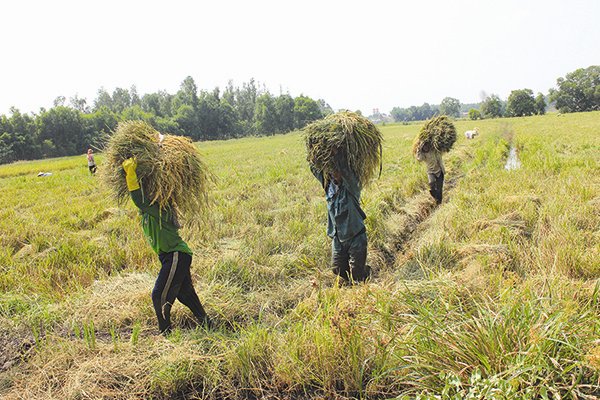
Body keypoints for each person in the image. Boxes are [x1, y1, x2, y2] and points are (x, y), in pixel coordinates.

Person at [121, 157, 211, 334]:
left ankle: (165, 332)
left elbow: (139, 200)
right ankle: (207, 323)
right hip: (170, 256)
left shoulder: (162, 208)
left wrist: (131, 174)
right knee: (185, 293)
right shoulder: (149, 211)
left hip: (176, 255)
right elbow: (140, 202)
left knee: (159, 294)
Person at [311, 153, 371, 284]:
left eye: (336, 171)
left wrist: (337, 152)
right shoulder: (329, 188)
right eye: (331, 172)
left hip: (356, 236)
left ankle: (365, 272)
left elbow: (347, 170)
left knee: (357, 276)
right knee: (337, 269)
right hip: (338, 238)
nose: (334, 174)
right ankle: (353, 279)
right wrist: (313, 154)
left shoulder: (352, 188)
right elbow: (315, 170)